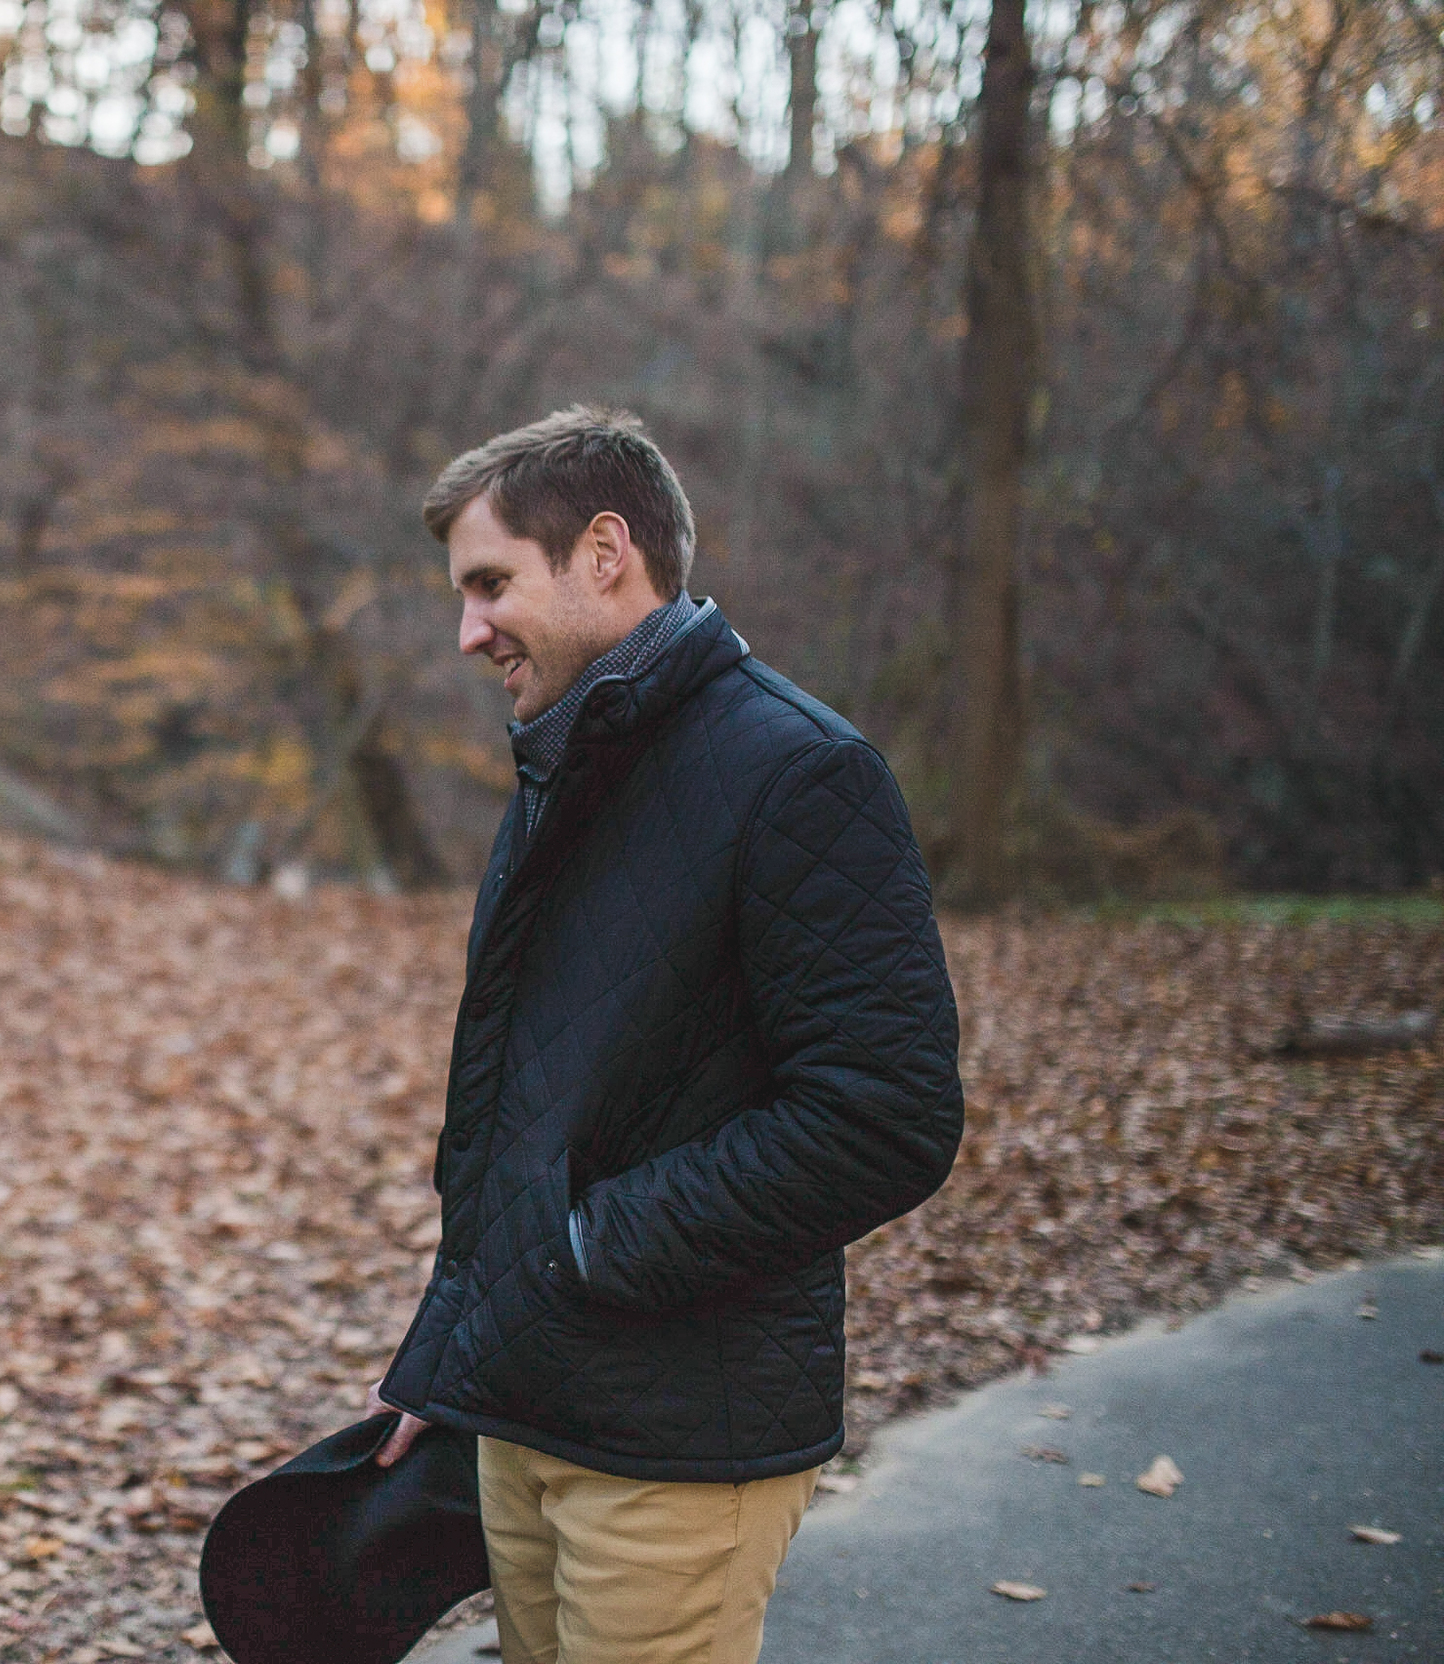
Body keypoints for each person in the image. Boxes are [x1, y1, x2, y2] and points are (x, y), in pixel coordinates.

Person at [370, 409, 964, 1664]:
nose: (467, 631)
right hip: (527, 1414)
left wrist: (586, 1248)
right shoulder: (569, 761)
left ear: (602, 551)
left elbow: (884, 1115)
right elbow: (517, 1103)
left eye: (489, 585)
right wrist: (453, 1355)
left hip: (678, 1441)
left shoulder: (800, 771)